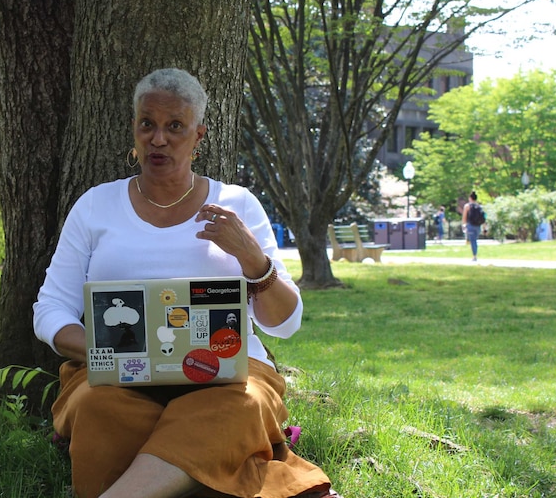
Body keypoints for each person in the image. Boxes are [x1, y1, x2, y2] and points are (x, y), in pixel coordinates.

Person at [33, 68, 338, 498]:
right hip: (118, 375)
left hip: (226, 377)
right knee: (96, 407)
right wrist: (106, 352)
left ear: (199, 136)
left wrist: (253, 259)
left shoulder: (237, 204)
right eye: (147, 124)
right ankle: (204, 467)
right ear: (135, 130)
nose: (159, 139)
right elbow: (50, 310)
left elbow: (284, 324)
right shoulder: (95, 206)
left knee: (241, 405)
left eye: (175, 126)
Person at [461, 191, 484, 261]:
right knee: (474, 240)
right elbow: (483, 217)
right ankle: (474, 254)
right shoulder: (479, 206)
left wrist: (463, 225)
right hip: (478, 226)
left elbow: (464, 217)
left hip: (470, 225)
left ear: (470, 198)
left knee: (473, 240)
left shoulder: (467, 206)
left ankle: (474, 255)